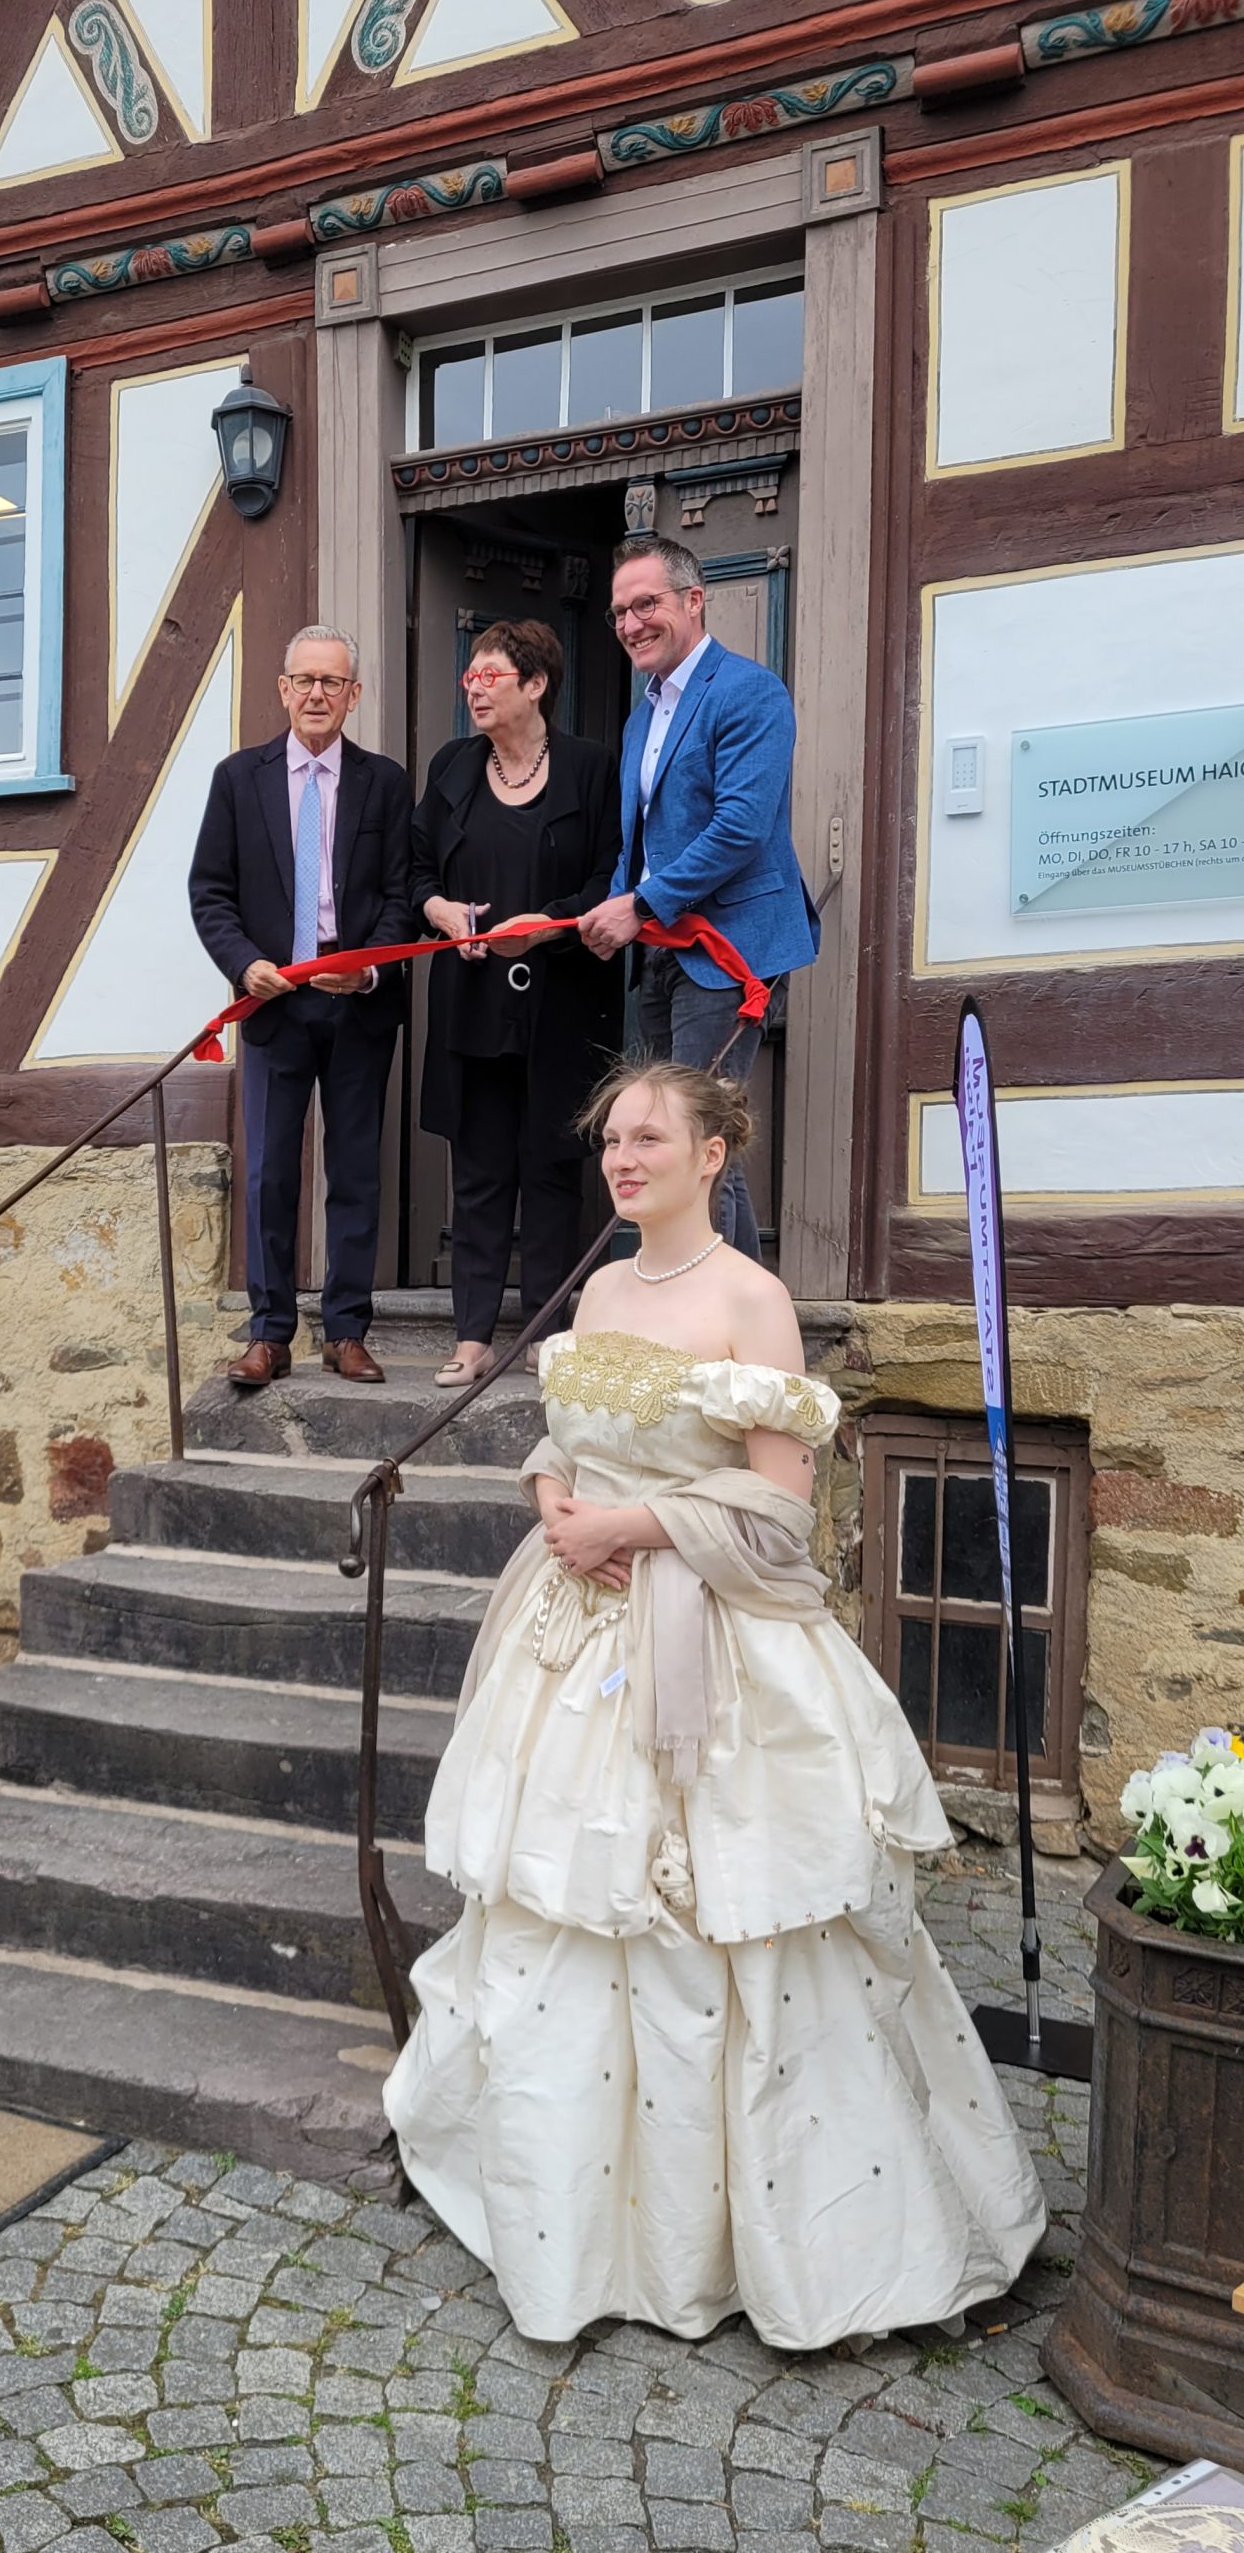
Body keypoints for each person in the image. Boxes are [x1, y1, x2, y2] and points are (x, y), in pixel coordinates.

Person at [384, 1058, 1046, 2348]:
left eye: (648, 1138)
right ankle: (565, 2205)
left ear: (713, 1154)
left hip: (709, 1647)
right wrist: (555, 1506)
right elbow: (562, 1438)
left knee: (718, 1915)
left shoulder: (754, 1300)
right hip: (573, 1629)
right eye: (612, 1139)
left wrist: (632, 1523)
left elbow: (782, 1509)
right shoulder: (606, 1286)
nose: (623, 1158)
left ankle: (758, 2235)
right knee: (561, 1904)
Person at [579, 536, 819, 1260]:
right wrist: (617, 905)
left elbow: (740, 828)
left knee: (702, 1142)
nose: (630, 624)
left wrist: (639, 905)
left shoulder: (749, 692)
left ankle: (736, 1340)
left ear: (693, 600)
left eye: (645, 604)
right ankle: (697, 1317)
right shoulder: (642, 713)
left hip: (727, 953)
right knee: (677, 1142)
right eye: (619, 611)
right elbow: (643, 839)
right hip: (660, 954)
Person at [189, 625, 413, 1389]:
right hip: (276, 1006)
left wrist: (371, 970)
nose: (318, 694)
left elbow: (397, 896)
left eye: (333, 683)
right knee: (270, 1175)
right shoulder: (236, 779)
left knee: (354, 1170)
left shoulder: (385, 782)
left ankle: (347, 1330)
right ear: (283, 690)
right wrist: (243, 964)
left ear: (354, 696)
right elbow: (210, 892)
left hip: (355, 1009)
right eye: (305, 681)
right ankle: (271, 1331)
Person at [412, 620, 618, 1388]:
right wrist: (437, 910)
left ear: (535, 684)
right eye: (470, 674)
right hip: (472, 1000)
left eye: (490, 674)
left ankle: (543, 1331)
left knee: (553, 1168)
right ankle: (472, 1338)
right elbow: (414, 870)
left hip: (562, 999)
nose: (474, 686)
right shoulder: (454, 767)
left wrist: (546, 927)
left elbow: (609, 878)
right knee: (479, 1171)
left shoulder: (592, 770)